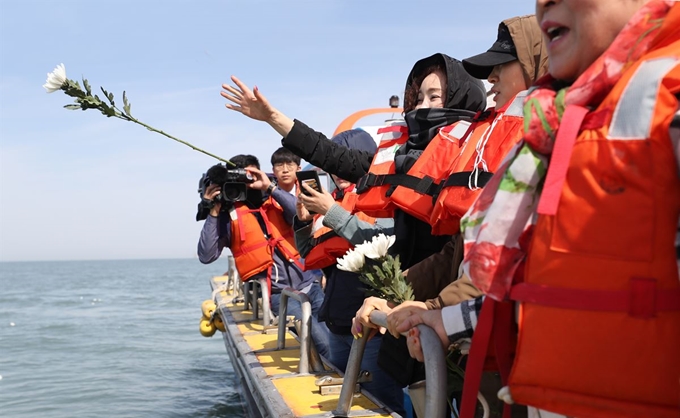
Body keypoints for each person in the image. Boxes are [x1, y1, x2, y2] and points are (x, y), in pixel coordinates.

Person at [396, 1, 680, 417]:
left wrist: (438, 311)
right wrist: (446, 322)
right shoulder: (561, 125)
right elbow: (540, 285)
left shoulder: (668, 105)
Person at [355, 13, 548, 332]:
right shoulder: (500, 139)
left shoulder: (548, 139)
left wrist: (435, 309)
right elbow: (462, 248)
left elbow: (504, 257)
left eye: (502, 66)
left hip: (519, 336)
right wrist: (397, 297)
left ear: (537, 63)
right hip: (480, 332)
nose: (492, 79)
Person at [220, 53, 487, 269]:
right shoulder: (398, 160)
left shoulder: (475, 164)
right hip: (398, 304)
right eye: (418, 98)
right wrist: (272, 117)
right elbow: (328, 153)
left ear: (461, 100)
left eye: (434, 97)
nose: (419, 107)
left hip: (440, 309)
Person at [294, 128, 405, 415]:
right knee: (347, 406)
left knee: (382, 404)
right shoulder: (334, 203)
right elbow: (309, 252)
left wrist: (332, 212)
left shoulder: (389, 198)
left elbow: (379, 240)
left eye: (347, 161)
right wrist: (303, 221)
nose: (338, 171)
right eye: (334, 165)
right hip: (337, 324)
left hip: (371, 329)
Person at [197, 154, 331, 359]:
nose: (247, 186)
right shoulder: (229, 216)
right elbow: (206, 255)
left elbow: (302, 214)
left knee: (337, 336)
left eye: (251, 178)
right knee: (321, 342)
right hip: (280, 294)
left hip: (310, 283)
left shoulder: (276, 200)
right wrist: (212, 210)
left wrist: (269, 187)